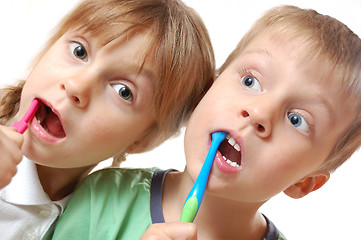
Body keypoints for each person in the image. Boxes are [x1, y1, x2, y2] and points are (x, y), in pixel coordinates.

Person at [50, 4, 361, 240]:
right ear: (207, 91)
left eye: (297, 120)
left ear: (304, 182)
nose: (259, 113)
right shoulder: (103, 197)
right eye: (251, 82)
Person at [0, 0, 215, 239]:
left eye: (124, 91)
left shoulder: (102, 220)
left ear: (144, 140)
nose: (76, 85)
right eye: (79, 51)